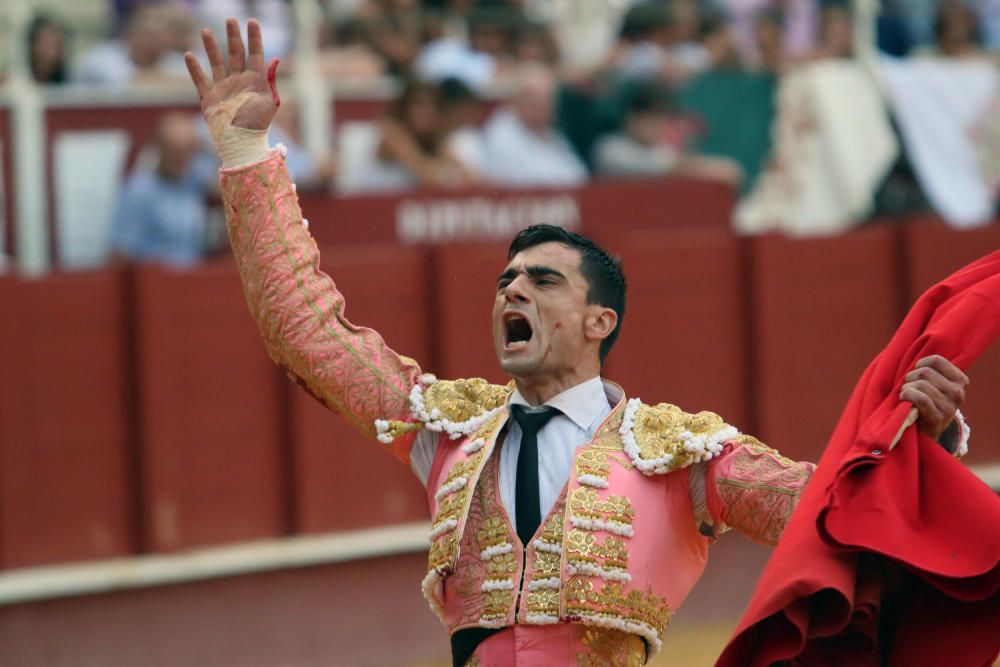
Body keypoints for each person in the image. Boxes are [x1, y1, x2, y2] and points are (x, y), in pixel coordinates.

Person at [184, 19, 972, 665]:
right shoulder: (447, 428)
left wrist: (918, 452)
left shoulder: (680, 454)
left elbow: (822, 504)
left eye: (544, 281)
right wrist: (246, 156)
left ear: (601, 322)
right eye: (506, 281)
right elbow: (308, 336)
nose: (513, 290)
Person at [109, 112, 215, 267]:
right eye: (175, 151)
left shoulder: (194, 180)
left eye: (188, 150)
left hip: (192, 279)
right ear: (160, 149)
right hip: (155, 282)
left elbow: (233, 191)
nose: (181, 158)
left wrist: (207, 149)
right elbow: (120, 252)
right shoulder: (140, 190)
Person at [593, 84, 743, 185]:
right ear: (630, 117)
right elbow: (659, 168)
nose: (654, 122)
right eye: (647, 113)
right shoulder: (609, 149)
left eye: (660, 114)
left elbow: (731, 171)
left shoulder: (663, 150)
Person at [481, 63, 588, 186]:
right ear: (517, 99)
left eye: (548, 99)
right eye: (536, 99)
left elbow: (579, 175)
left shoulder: (552, 134)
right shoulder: (501, 133)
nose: (544, 105)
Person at [27, 13, 70, 85]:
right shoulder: (16, 80)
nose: (52, 52)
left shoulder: (68, 82)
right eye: (46, 43)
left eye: (57, 45)